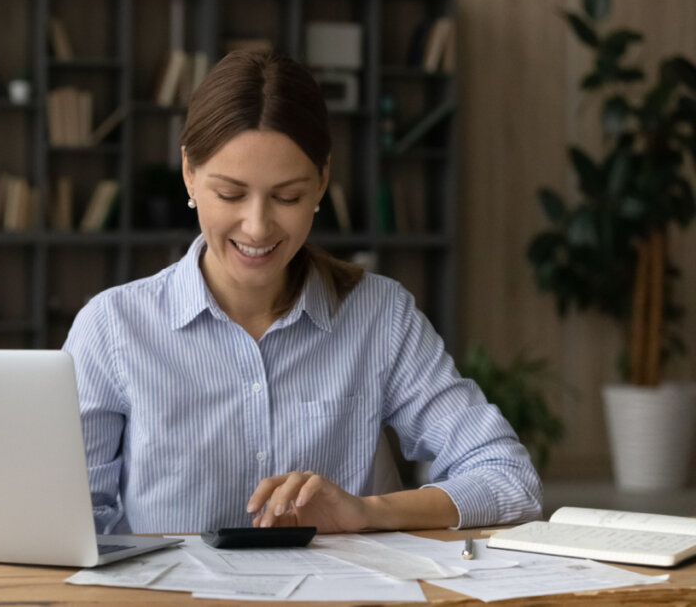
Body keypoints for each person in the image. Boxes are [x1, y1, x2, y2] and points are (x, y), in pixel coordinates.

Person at [63, 50, 542, 535]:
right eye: (230, 194)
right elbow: (68, 525)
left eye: (287, 197)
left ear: (321, 182)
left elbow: (508, 478)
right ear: (189, 172)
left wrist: (366, 512)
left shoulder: (380, 315)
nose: (257, 226)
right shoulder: (113, 327)